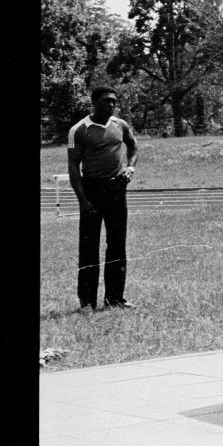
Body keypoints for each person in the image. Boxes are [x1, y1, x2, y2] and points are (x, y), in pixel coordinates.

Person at [67, 85, 139, 312]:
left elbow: (134, 147)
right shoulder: (78, 130)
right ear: (94, 102)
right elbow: (72, 167)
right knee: (89, 246)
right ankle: (87, 302)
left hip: (117, 189)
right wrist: (83, 200)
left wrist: (130, 168)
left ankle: (115, 298)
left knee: (117, 244)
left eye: (114, 102)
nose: (111, 105)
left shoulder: (121, 125)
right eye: (106, 101)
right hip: (92, 190)